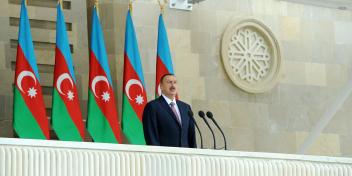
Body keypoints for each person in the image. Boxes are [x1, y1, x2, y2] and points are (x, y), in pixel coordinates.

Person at [142, 74, 196, 148]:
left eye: (175, 82)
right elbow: (151, 135)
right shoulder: (153, 106)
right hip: (164, 156)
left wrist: (193, 154)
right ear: (161, 86)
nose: (173, 85)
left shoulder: (186, 108)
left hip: (185, 156)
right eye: (169, 82)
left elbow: (191, 135)